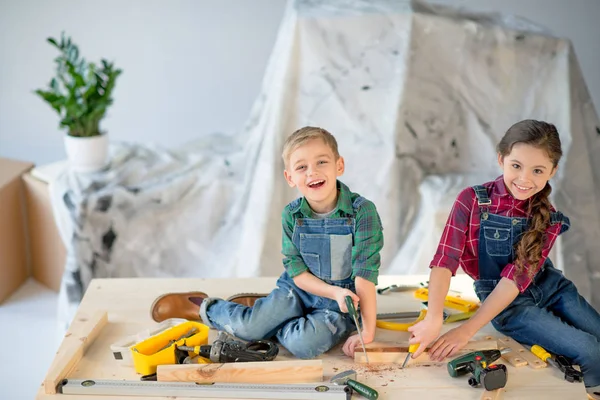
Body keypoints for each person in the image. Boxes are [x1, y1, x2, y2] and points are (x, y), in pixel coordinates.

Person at [150, 126, 384, 359]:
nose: (312, 172)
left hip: (340, 303)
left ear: (339, 165)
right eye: (301, 167)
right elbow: (297, 272)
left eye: (321, 162)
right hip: (299, 289)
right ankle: (205, 307)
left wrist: (367, 331)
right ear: (290, 178)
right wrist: (330, 291)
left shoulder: (362, 212)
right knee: (249, 329)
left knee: (303, 346)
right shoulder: (292, 215)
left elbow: (365, 275)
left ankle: (263, 317)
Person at [407, 119, 600, 399]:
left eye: (538, 170)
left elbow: (516, 277)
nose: (524, 179)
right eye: (516, 166)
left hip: (552, 288)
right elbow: (444, 261)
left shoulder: (549, 215)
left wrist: (465, 330)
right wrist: (434, 317)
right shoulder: (472, 200)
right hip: (509, 306)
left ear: (552, 171)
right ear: (501, 159)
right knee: (591, 351)